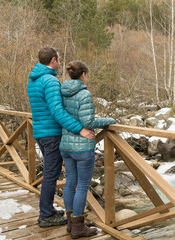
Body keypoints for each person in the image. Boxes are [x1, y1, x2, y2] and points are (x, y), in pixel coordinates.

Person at [27, 47, 95, 228]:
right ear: (54, 60)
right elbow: (58, 112)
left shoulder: (33, 80)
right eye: (58, 59)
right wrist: (79, 129)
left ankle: (48, 211)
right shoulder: (50, 81)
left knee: (51, 172)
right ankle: (46, 215)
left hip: (40, 132)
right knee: (51, 174)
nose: (59, 62)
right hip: (52, 133)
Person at [60, 60, 115, 238]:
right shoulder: (84, 94)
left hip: (66, 146)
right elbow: (88, 123)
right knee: (82, 186)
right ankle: (78, 227)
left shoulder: (61, 91)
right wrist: (108, 120)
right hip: (82, 148)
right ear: (83, 74)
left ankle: (71, 222)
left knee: (70, 183)